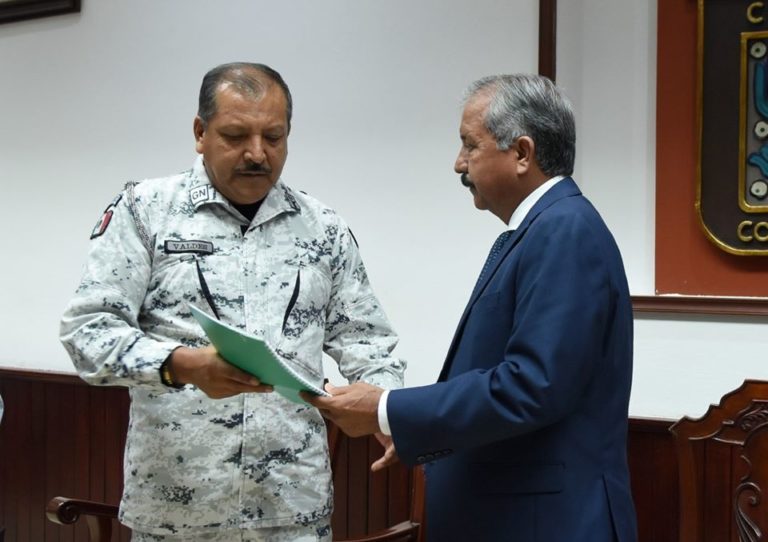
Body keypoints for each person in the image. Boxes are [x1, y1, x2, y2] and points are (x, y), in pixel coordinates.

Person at [60, 62, 405, 541]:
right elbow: (88, 334)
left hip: (292, 511)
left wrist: (385, 406)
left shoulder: (322, 228)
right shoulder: (146, 211)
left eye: (274, 137)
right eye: (236, 135)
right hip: (177, 511)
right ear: (201, 133)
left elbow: (366, 339)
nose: (257, 154)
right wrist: (182, 365)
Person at [308, 73, 638, 542]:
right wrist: (417, 429)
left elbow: (531, 386)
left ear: (522, 153)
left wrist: (387, 408)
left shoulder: (564, 231)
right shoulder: (546, 228)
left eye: (470, 145)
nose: (458, 164)